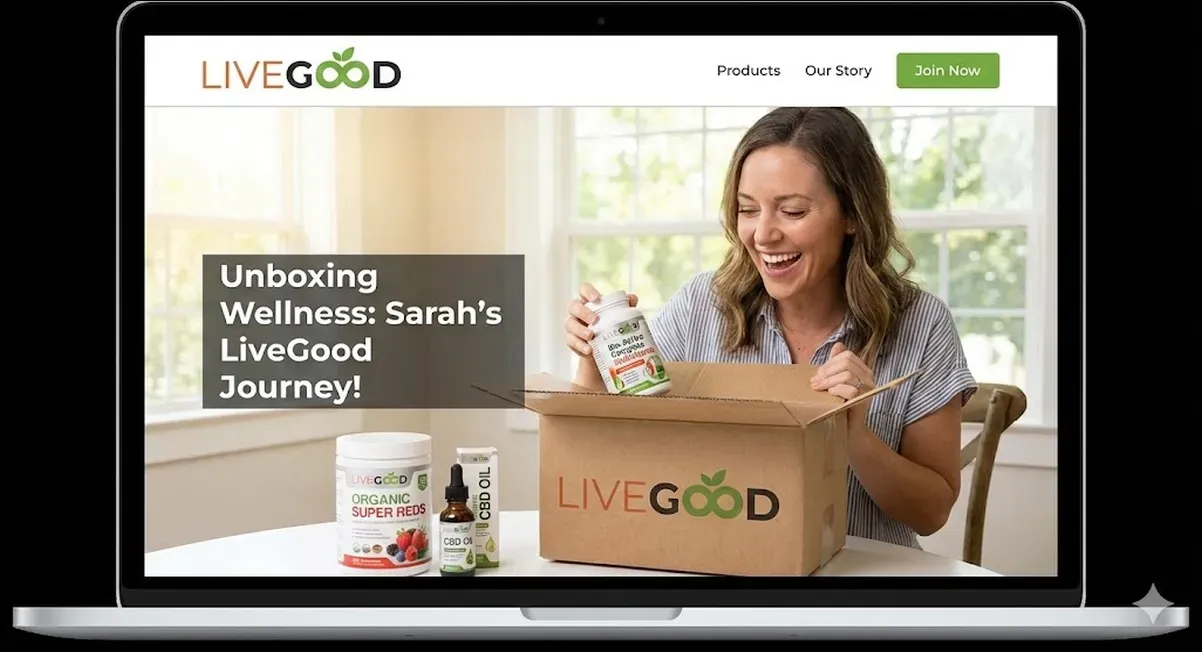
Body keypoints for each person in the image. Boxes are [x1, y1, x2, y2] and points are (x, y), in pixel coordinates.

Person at [563, 107, 977, 549]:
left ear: (853, 214)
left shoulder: (921, 323)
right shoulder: (700, 307)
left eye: (792, 211)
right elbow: (611, 459)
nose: (762, 234)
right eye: (747, 209)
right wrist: (593, 363)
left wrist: (853, 438)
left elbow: (931, 514)